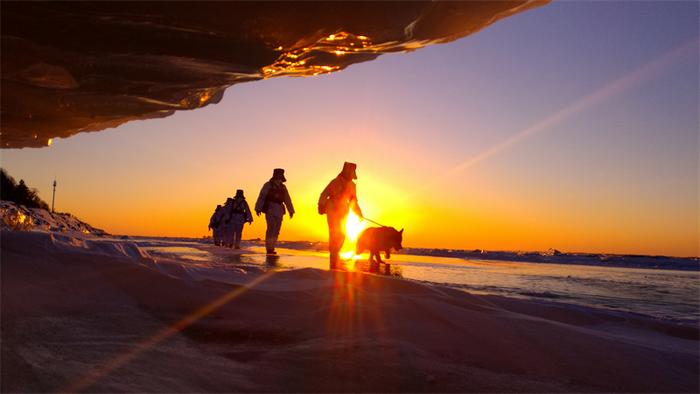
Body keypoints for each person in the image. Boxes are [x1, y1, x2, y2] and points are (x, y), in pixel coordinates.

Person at [318, 162, 363, 269]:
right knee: (334, 231)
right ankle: (333, 254)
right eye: (351, 171)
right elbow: (324, 194)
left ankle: (336, 251)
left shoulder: (352, 185)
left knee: (342, 233)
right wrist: (321, 205)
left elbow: (353, 201)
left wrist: (358, 213)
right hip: (332, 207)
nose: (352, 173)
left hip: (344, 209)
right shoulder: (335, 182)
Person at [255, 168, 294, 254]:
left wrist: (291, 210)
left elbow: (287, 199)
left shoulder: (283, 187)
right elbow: (262, 196)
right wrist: (258, 208)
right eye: (278, 175)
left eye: (280, 175)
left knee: (277, 229)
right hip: (270, 208)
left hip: (279, 209)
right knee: (271, 227)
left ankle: (272, 247)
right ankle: (269, 248)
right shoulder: (268, 185)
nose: (279, 176)